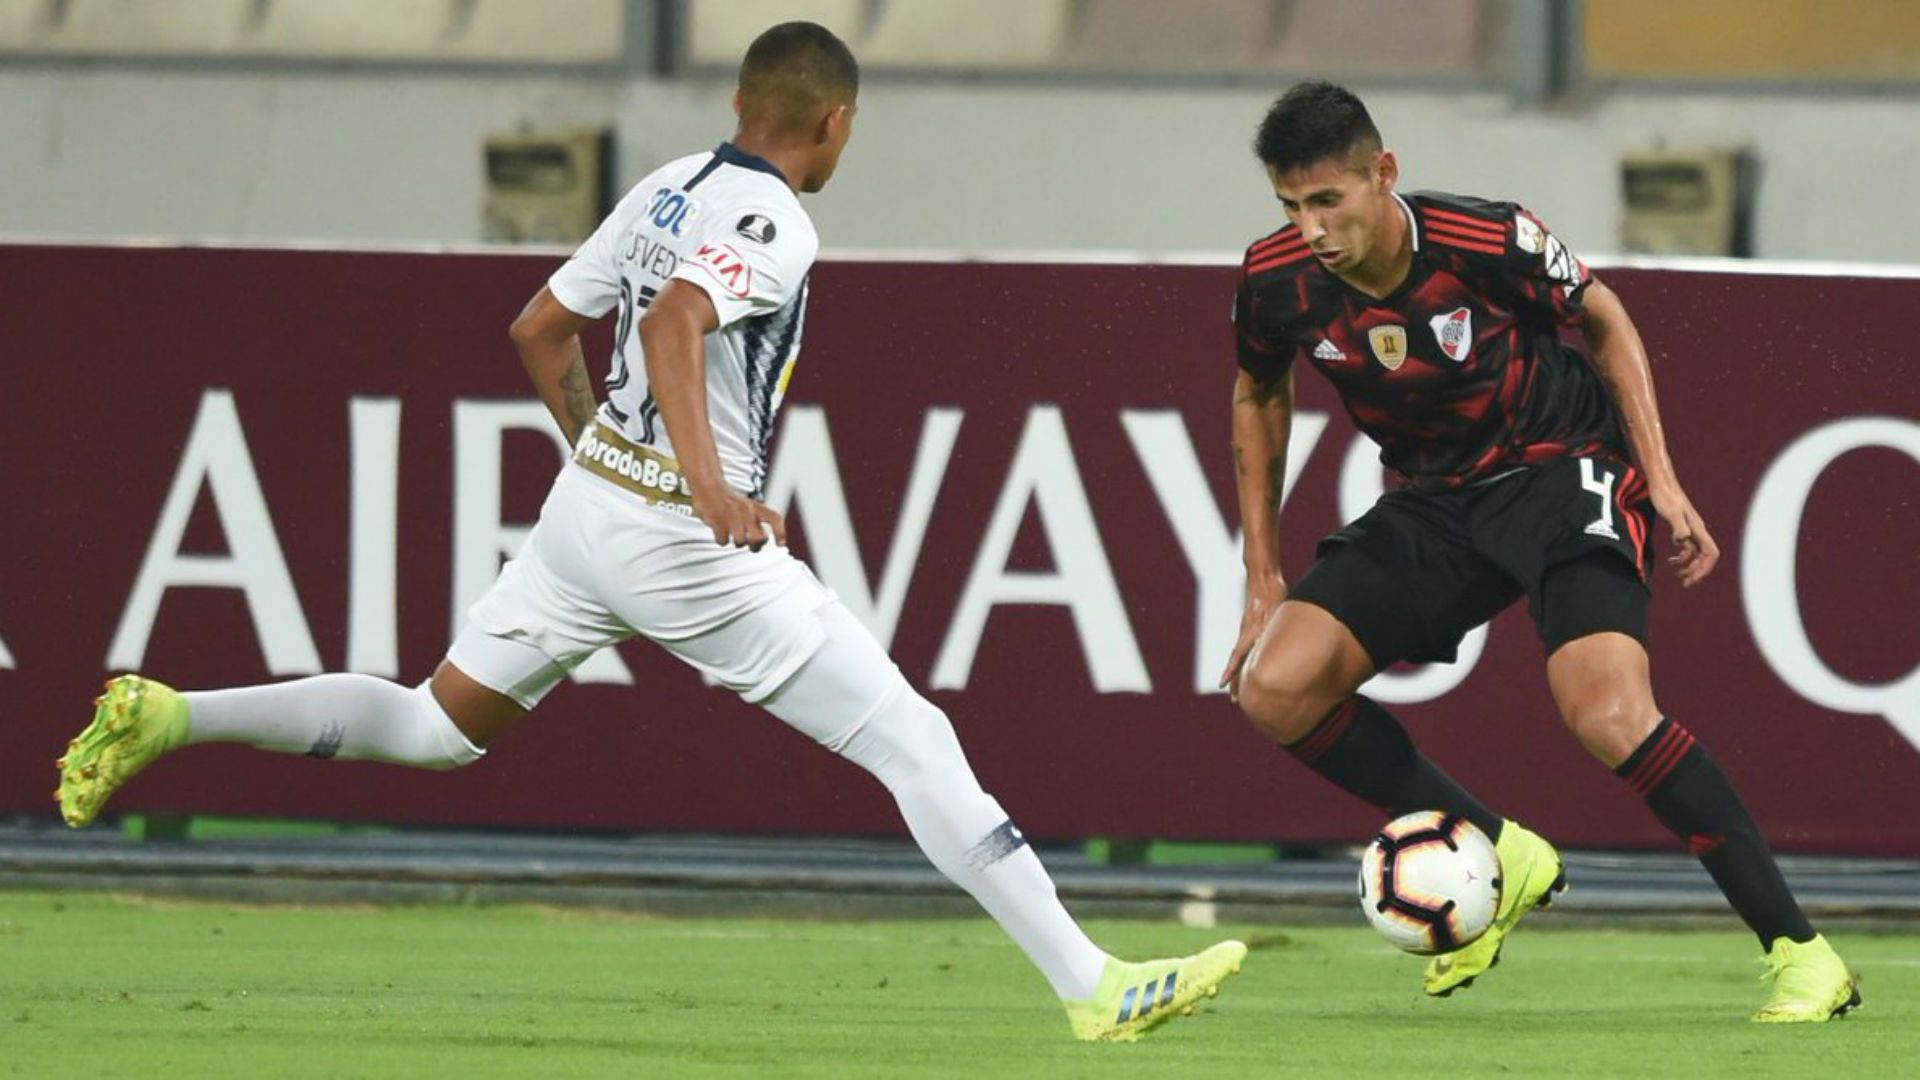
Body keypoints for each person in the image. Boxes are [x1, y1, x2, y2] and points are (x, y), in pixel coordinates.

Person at [55, 22, 1243, 1042]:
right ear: (837, 124)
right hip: (681, 537)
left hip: (589, 516)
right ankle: (1093, 987)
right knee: (913, 738)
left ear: (739, 105)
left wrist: (600, 455)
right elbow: (677, 322)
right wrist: (712, 485)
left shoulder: (667, 183)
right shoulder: (775, 221)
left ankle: (172, 714)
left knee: (433, 724)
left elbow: (536, 328)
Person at [1219, 81, 1856, 1023]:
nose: (1310, 228)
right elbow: (1258, 394)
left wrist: (1661, 476)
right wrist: (1262, 576)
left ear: (1382, 175)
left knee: (1606, 711)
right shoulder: (1277, 280)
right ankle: (1503, 851)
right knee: (1275, 686)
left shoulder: (1486, 240)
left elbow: (1604, 317)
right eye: (1291, 207)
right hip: (1434, 502)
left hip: (1560, 471)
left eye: (1328, 201)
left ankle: (1802, 955)